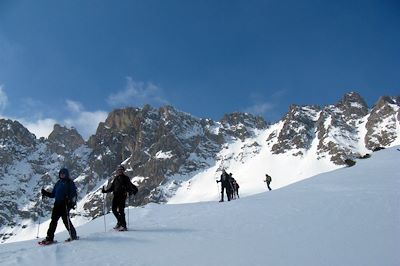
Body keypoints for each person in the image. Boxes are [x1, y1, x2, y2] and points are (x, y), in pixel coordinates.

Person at [40, 168, 78, 244]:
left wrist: (71, 203)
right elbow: (53, 194)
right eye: (61, 174)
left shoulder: (69, 182)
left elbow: (74, 194)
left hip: (65, 204)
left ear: (66, 174)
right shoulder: (58, 183)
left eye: (63, 174)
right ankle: (49, 238)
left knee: (66, 220)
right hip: (57, 204)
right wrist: (45, 193)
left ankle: (73, 236)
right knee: (53, 221)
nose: (62, 175)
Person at [102, 165, 138, 231]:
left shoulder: (126, 178)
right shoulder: (116, 178)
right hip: (116, 196)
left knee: (121, 211)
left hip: (122, 196)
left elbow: (129, 187)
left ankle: (124, 226)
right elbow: (112, 188)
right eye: (119, 170)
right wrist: (105, 191)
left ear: (123, 171)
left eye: (121, 170)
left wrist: (127, 190)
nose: (120, 171)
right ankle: (120, 222)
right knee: (114, 209)